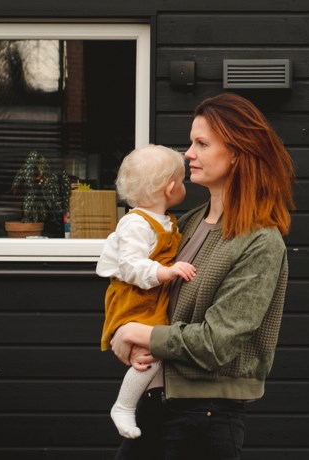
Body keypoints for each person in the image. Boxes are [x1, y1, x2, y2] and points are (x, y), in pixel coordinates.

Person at [109, 92, 295, 460]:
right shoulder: (188, 223)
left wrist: (135, 332)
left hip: (204, 418)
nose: (188, 153)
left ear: (238, 153)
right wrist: (125, 337)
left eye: (202, 143)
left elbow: (216, 343)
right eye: (191, 142)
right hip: (157, 403)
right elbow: (154, 302)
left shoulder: (260, 241)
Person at [97, 144, 197, 439]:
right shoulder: (136, 224)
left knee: (153, 349)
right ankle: (124, 406)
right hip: (135, 298)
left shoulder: (164, 221)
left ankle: (129, 405)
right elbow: (130, 266)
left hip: (151, 296)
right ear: (170, 188)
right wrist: (166, 272)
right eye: (181, 180)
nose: (184, 185)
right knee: (149, 353)